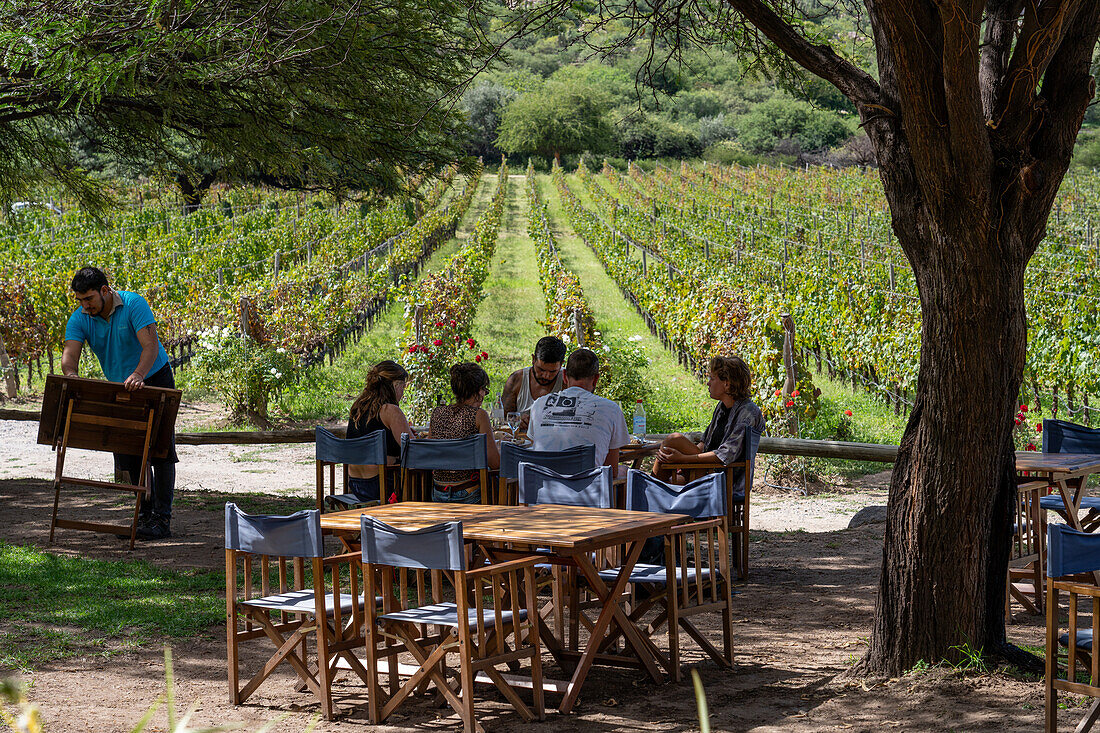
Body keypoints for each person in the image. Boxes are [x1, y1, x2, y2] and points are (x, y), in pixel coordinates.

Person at [61, 266, 177, 540]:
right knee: (130, 451)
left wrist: (139, 375)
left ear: (105, 290)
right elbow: (69, 356)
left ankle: (162, 519)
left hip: (154, 377)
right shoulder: (80, 318)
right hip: (121, 385)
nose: (84, 305)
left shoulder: (134, 303)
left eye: (88, 298)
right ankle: (143, 515)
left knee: (160, 450)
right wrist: (72, 376)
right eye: (79, 300)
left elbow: (150, 346)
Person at [653, 355, 766, 494]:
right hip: (707, 470)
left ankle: (646, 496)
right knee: (666, 484)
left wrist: (683, 459)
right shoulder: (722, 407)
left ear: (727, 383)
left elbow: (725, 455)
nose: (708, 383)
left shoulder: (748, 412)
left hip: (724, 478)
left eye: (712, 378)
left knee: (673, 440)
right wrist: (681, 460)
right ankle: (650, 496)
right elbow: (704, 445)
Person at [527, 348, 629, 474]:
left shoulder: (539, 405)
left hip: (542, 489)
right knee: (624, 471)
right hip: (587, 491)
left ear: (564, 376)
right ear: (596, 379)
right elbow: (611, 472)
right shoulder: (611, 409)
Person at [426, 362, 500, 504]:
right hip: (468, 492)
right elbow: (495, 462)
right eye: (485, 389)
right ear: (478, 390)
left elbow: (431, 452)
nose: (484, 394)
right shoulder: (479, 415)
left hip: (438, 492)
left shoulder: (437, 413)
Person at [345, 360, 416, 505]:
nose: (403, 392)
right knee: (422, 475)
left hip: (356, 485)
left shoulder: (357, 407)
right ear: (395, 385)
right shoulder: (390, 410)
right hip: (382, 486)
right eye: (403, 386)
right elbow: (413, 449)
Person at [500, 336, 567, 424]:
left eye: (552, 371)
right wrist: (517, 420)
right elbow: (502, 418)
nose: (546, 376)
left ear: (562, 364)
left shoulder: (566, 382)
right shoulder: (517, 380)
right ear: (533, 359)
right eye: (541, 369)